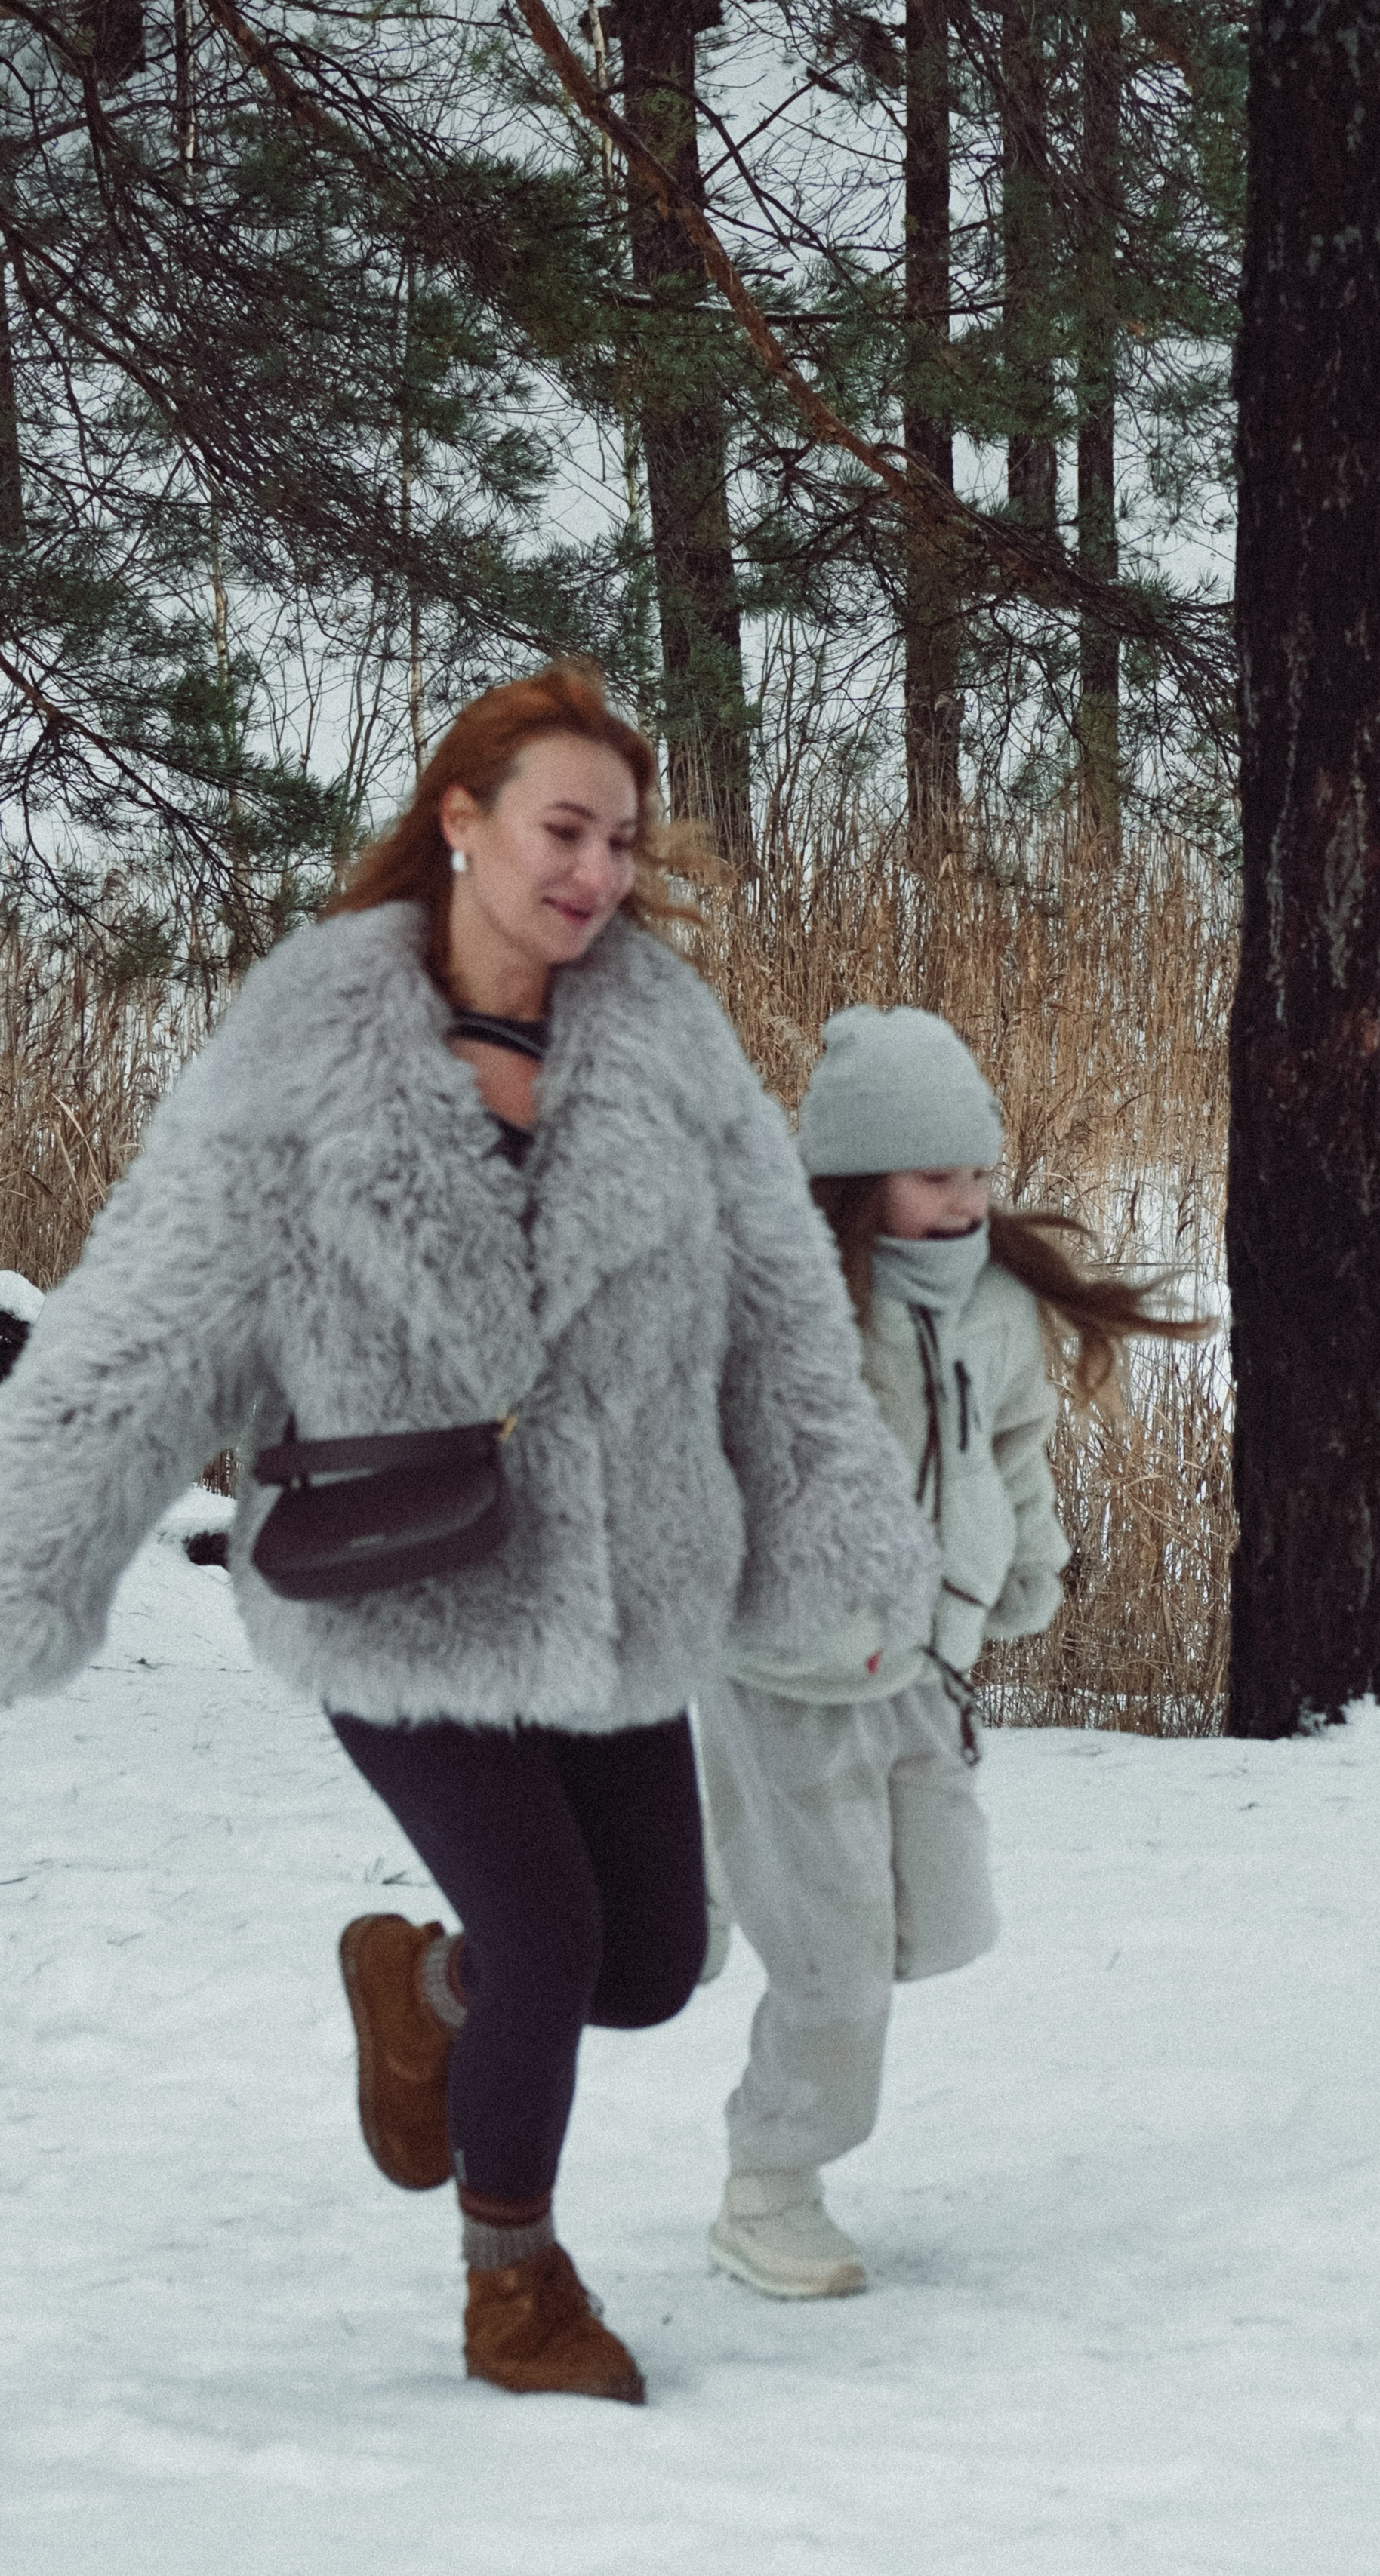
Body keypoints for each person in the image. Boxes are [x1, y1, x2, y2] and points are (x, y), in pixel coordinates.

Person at [0, 665, 935, 2402]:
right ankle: (517, 2288)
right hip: (399, 1581)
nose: (592, 873)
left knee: (649, 1964)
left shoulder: (669, 1044)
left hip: (620, 1577)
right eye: (560, 830)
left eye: (621, 842)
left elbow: (779, 1312)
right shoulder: (306, 1050)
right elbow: (143, 1319)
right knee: (556, 1936)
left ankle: (421, 1994)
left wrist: (833, 1534)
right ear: (462, 819)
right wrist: (29, 1557)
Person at [701, 1003, 1209, 2299]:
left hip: (923, 1663)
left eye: (980, 1171)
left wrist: (1024, 1562)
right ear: (859, 1182)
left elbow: (1011, 1447)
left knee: (937, 1920)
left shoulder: (991, 1302)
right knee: (837, 1963)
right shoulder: (787, 1305)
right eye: (936, 1178)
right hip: (791, 1674)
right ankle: (768, 2185)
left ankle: (705, 1866)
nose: (969, 1201)